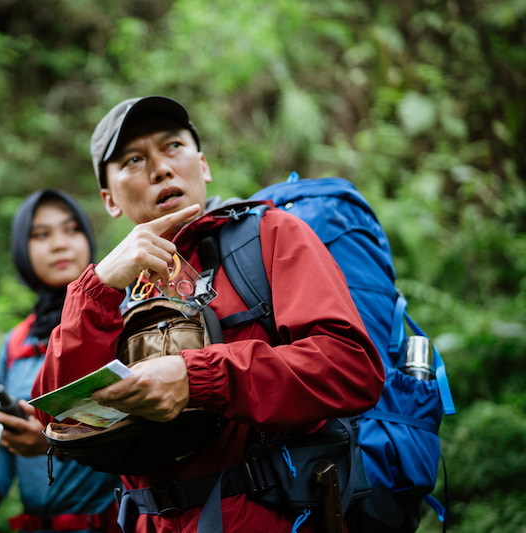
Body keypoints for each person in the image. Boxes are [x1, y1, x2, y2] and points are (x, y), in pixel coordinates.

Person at [31, 96, 386, 532]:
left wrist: (196, 378)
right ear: (109, 200)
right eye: (134, 159)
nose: (160, 168)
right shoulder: (112, 292)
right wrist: (97, 290)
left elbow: (352, 368)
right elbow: (57, 416)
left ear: (203, 166)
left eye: (173, 147)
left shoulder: (270, 236)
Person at [0, 189, 122, 532]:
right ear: (21, 249)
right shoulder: (17, 342)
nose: (60, 244)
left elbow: (140, 429)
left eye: (71, 229)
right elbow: (2, 438)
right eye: (41, 235)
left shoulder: (116, 319)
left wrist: (53, 443)